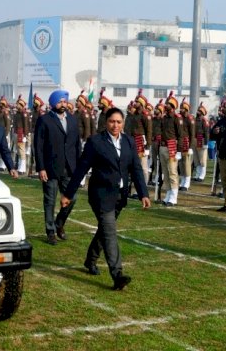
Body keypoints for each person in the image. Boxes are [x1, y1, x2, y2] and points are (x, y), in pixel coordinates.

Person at [60, 107, 150, 291]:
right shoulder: (95, 142)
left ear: (123, 123)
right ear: (105, 122)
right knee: (110, 232)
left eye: (118, 122)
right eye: (111, 121)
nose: (115, 125)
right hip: (100, 196)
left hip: (120, 196)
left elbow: (136, 169)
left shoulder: (129, 142)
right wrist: (68, 194)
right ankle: (117, 275)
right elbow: (81, 169)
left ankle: (90, 260)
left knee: (104, 231)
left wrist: (143, 194)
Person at [34, 90, 81, 245]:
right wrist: (41, 168)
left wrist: (79, 166)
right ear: (53, 103)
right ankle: (50, 231)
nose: (63, 104)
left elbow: (76, 145)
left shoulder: (73, 120)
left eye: (64, 101)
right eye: (59, 101)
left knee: (72, 198)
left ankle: (59, 223)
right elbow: (38, 146)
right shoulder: (44, 120)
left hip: (69, 167)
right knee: (50, 201)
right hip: (50, 168)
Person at [159, 93, 182, 206]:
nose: (165, 105)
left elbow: (180, 135)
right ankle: (168, 193)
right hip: (163, 146)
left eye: (168, 104)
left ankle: (174, 196)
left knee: (172, 172)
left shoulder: (177, 118)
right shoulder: (164, 118)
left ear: (172, 106)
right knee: (165, 172)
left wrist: (179, 151)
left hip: (172, 147)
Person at [178, 97, 195, 191]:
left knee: (187, 163)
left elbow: (192, 133)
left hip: (187, 142)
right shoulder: (179, 117)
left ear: (186, 109)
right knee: (180, 163)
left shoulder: (190, 118)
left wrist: (191, 147)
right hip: (180, 142)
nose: (181, 109)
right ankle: (183, 180)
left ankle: (187, 182)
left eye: (182, 108)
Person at [193, 102, 211, 182]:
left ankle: (202, 175)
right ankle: (197, 174)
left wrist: (206, 143)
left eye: (199, 111)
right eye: (198, 110)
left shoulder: (204, 121)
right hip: (195, 139)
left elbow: (207, 132)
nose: (197, 112)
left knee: (202, 159)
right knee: (196, 159)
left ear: (202, 113)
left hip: (202, 140)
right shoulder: (195, 119)